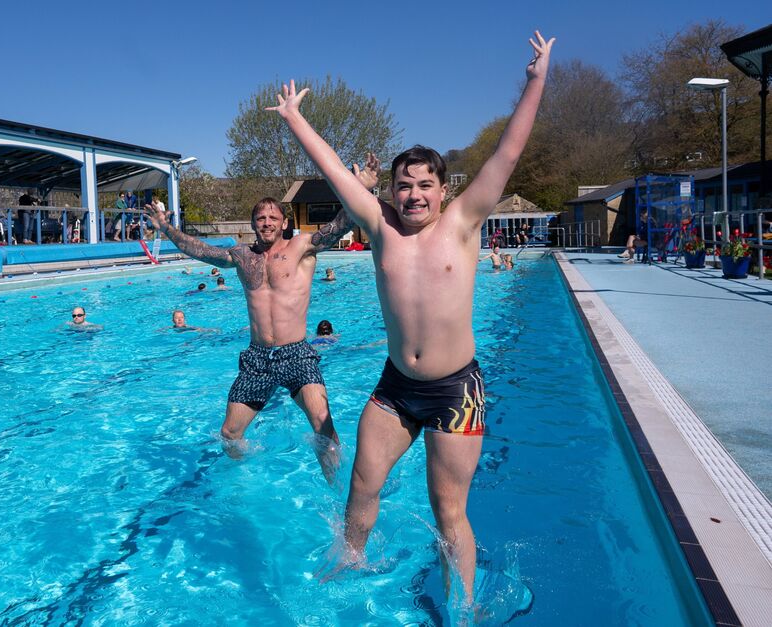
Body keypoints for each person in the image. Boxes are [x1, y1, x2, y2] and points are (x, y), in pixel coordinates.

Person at [270, 30, 553, 603]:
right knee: (361, 491)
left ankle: (463, 606)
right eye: (405, 185)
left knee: (448, 513)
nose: (414, 194)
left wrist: (536, 81)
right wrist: (295, 118)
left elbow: (508, 153)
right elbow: (336, 174)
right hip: (396, 388)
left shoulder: (464, 223)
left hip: (456, 390)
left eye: (426, 185)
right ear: (393, 191)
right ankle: (348, 569)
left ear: (444, 191)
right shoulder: (380, 228)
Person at [145, 157, 379, 483]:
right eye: (260, 217)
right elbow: (199, 250)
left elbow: (339, 226)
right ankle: (247, 479)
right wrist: (167, 228)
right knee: (229, 434)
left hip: (297, 354)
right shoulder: (242, 256)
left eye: (273, 217)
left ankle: (339, 492)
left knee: (323, 426)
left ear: (283, 223)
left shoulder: (301, 248)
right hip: (257, 358)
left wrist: (360, 189)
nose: (267, 222)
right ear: (253, 223)